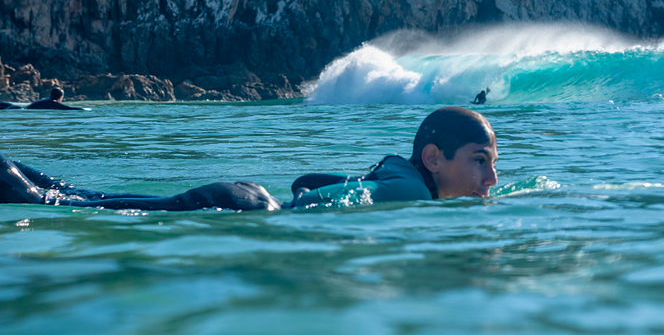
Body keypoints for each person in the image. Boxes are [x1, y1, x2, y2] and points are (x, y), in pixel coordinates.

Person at [0, 107, 499, 212]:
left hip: (245, 196)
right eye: (480, 161)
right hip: (247, 208)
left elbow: (307, 181)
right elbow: (312, 196)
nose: (492, 177)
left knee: (77, 200)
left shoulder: (402, 174)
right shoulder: (412, 193)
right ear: (433, 157)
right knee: (67, 205)